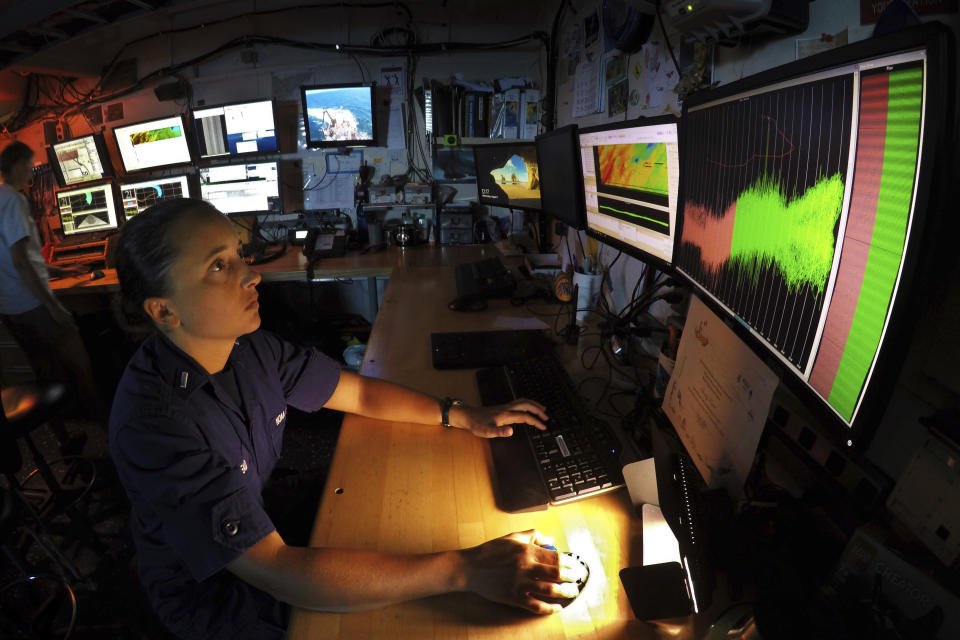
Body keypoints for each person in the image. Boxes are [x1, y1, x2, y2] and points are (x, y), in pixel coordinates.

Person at [109, 198, 579, 640]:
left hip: (267, 519)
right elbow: (277, 571)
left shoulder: (250, 348)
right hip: (216, 593)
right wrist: (465, 570)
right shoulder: (155, 425)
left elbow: (359, 394)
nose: (251, 276)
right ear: (164, 310)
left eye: (239, 255)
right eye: (218, 266)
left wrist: (459, 415)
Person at [0, 140, 103, 452]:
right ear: (18, 165)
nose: (32, 170)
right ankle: (110, 433)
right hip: (33, 306)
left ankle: (65, 441)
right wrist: (54, 306)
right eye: (30, 164)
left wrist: (62, 271)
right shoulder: (15, 201)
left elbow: (18, 257)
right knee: (83, 368)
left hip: (11, 308)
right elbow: (19, 258)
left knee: (45, 374)